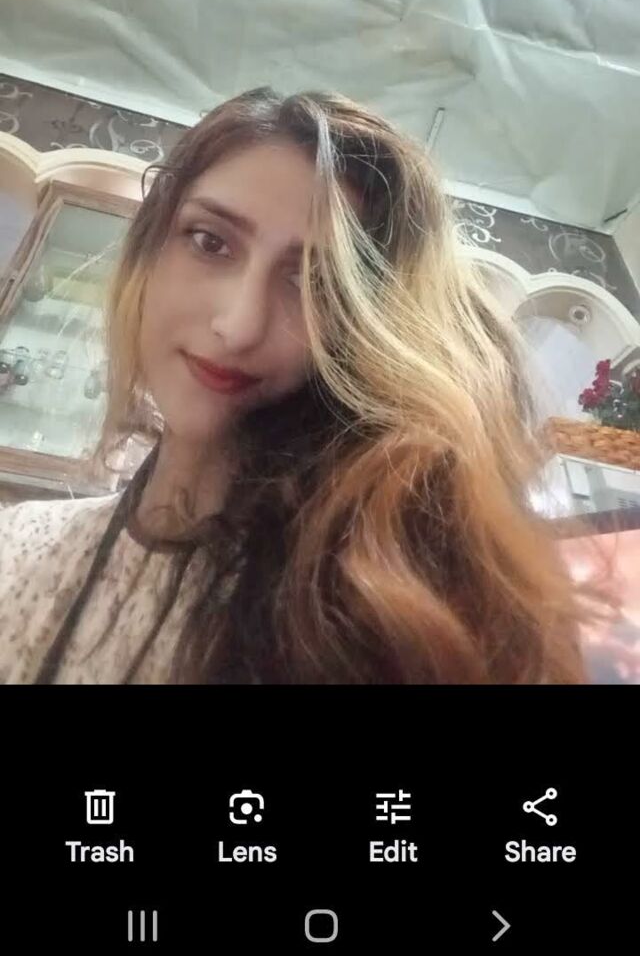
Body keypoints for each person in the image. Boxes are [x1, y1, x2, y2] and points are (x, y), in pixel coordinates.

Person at [0, 85, 615, 684]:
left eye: (316, 284)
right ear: (147, 251)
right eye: (210, 242)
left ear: (363, 331)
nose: (239, 326)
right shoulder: (18, 547)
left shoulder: (374, 612)